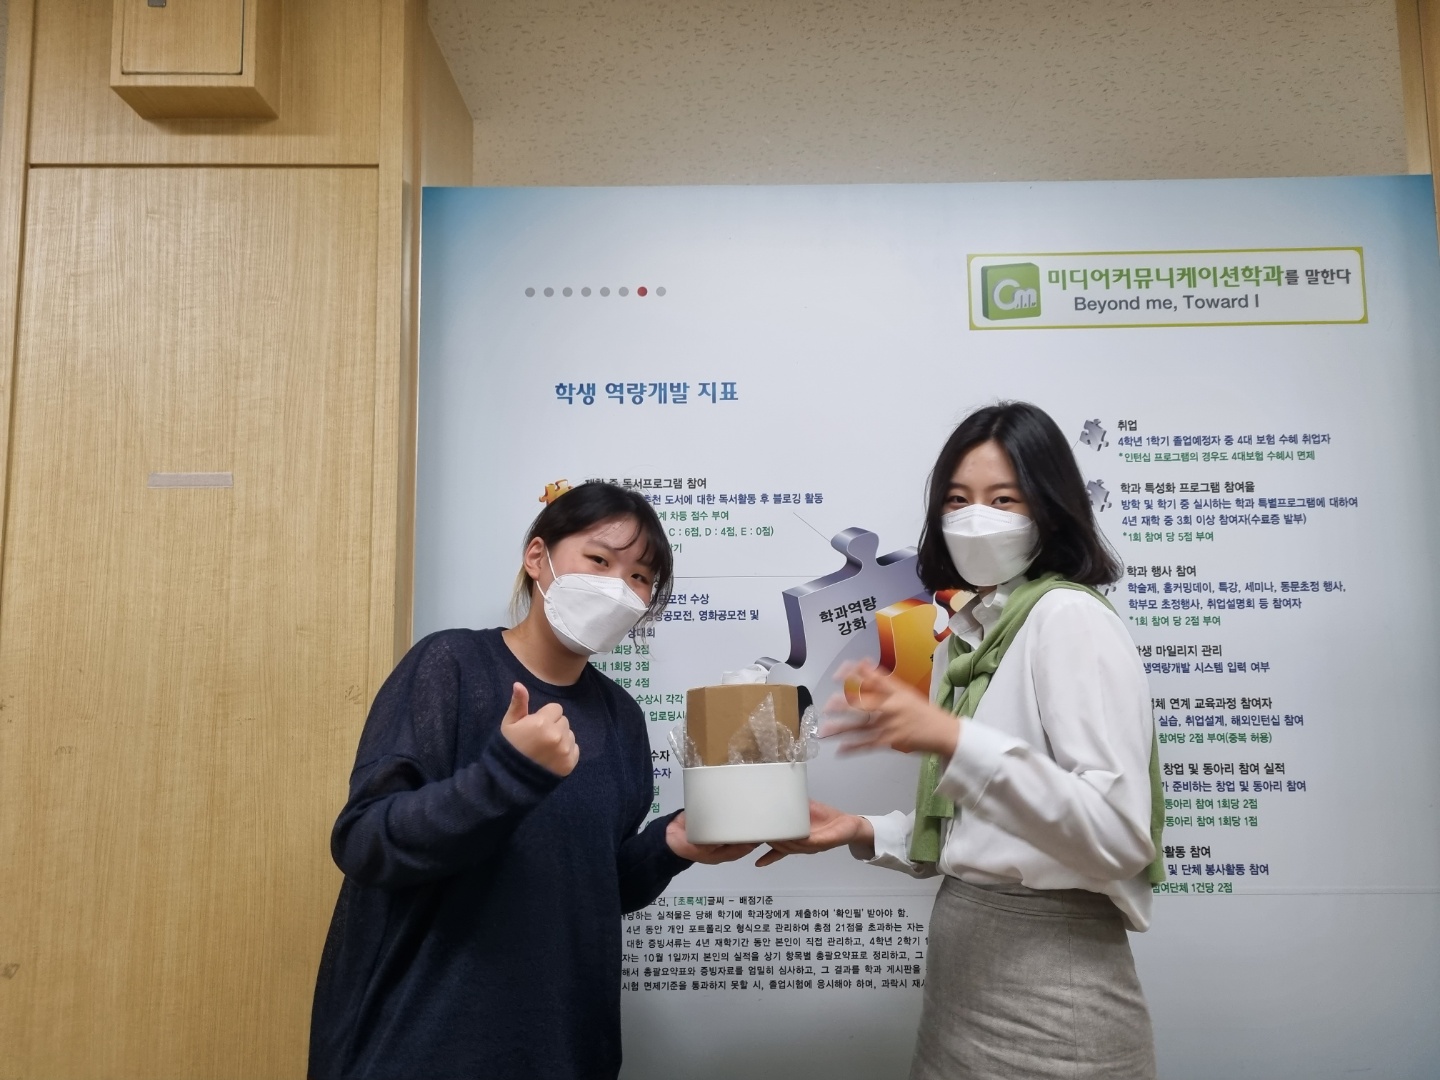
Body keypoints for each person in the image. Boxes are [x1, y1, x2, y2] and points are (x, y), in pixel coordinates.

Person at [760, 402, 1163, 1080]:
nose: (976, 518)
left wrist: (955, 739)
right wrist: (861, 830)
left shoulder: (1066, 618)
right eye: (957, 500)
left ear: (1051, 509)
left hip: (1054, 1000)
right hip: (963, 986)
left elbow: (1119, 834)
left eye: (1003, 499)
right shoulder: (970, 635)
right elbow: (984, 832)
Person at [309, 482, 754, 1080]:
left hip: (563, 1048)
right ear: (537, 557)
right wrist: (506, 773)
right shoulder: (450, 666)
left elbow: (590, 888)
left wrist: (669, 844)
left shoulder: (621, 717)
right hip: (421, 1044)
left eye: (640, 577)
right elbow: (365, 842)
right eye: (599, 560)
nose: (620, 588)